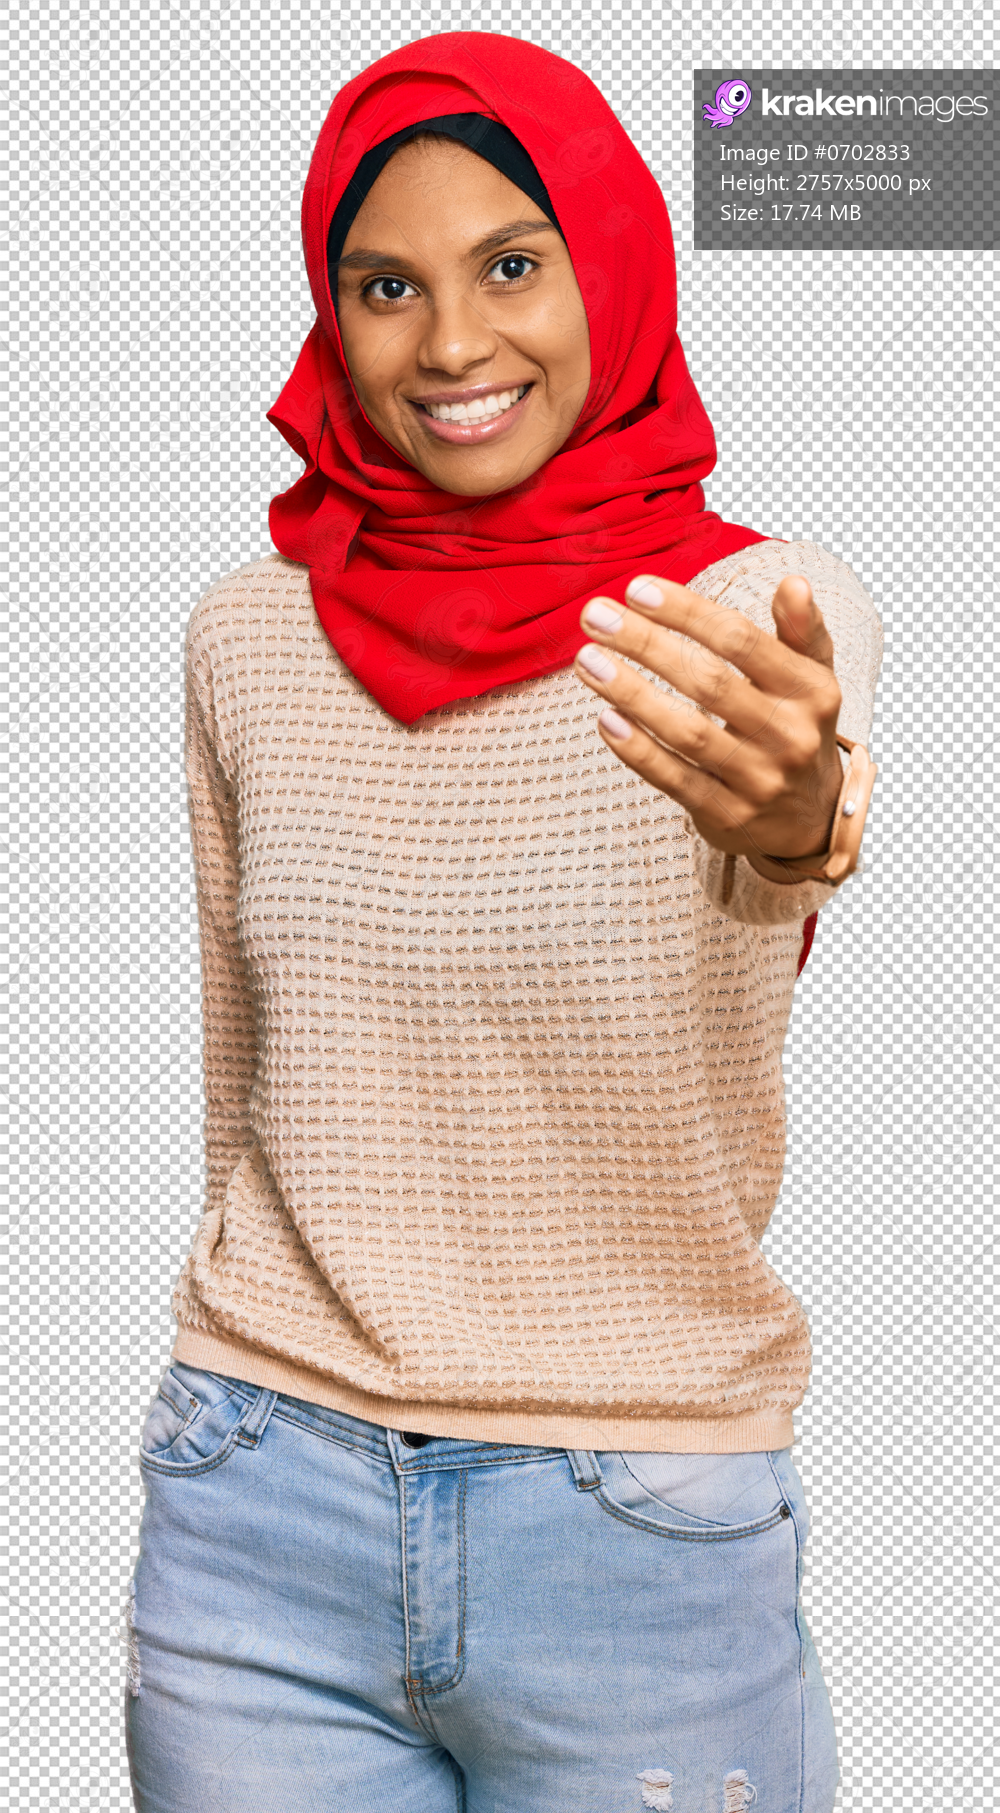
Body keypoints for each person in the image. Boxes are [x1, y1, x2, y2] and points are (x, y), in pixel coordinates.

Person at [125, 31, 882, 1813]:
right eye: (386, 287)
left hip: (635, 1522)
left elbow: (806, 823)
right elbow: (242, 1082)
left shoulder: (754, 609)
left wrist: (801, 811)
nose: (452, 343)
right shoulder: (245, 631)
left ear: (611, 270)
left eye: (513, 266)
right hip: (258, 1500)